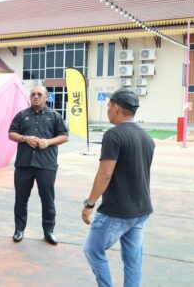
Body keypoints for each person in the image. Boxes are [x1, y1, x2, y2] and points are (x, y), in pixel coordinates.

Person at [82, 88, 155, 287]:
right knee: (133, 260)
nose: (107, 110)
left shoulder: (114, 136)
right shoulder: (147, 138)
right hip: (141, 209)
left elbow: (105, 174)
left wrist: (89, 204)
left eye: (108, 106)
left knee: (93, 250)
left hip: (118, 210)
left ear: (116, 107)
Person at [8, 85, 69, 245]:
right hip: (24, 165)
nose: (36, 96)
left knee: (47, 199)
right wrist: (25, 138)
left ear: (46, 97)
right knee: (21, 199)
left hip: (46, 165)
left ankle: (49, 231)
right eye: (33, 93)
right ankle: (19, 229)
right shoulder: (22, 115)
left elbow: (64, 136)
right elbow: (11, 134)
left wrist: (48, 142)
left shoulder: (55, 116)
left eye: (39, 94)